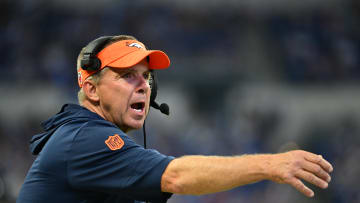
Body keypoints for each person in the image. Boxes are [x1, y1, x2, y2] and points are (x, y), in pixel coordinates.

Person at [17, 35, 333, 203]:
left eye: (145, 76)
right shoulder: (85, 138)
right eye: (127, 75)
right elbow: (175, 177)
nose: (143, 84)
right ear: (91, 89)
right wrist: (270, 165)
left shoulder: (88, 139)